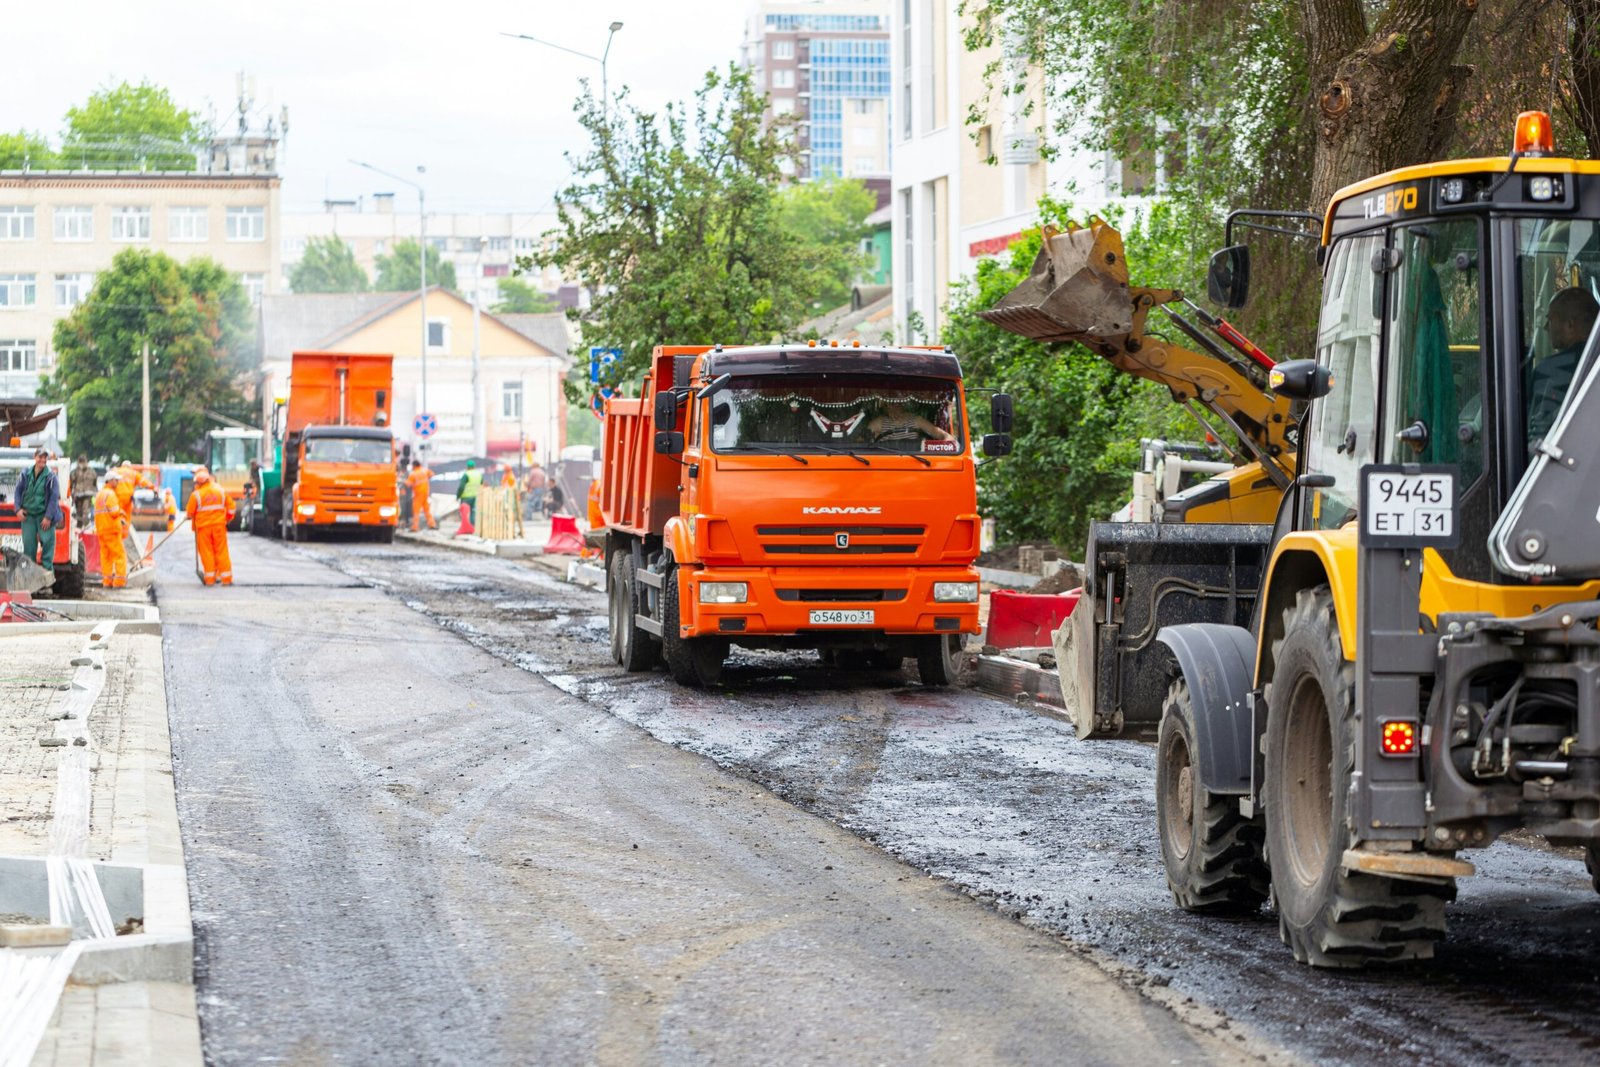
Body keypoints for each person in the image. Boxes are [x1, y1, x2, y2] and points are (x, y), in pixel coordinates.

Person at [1528, 287, 1600, 442]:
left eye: (1551, 319)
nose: (1547, 327)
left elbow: (1537, 438)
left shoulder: (1550, 370)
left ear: (1570, 326)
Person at [186, 466, 235, 587]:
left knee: (207, 553)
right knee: (221, 551)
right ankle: (226, 579)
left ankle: (210, 579)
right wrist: (227, 518)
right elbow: (232, 508)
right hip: (219, 526)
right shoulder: (220, 490)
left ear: (198, 482)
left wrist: (190, 516)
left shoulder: (196, 495)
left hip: (203, 529)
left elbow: (189, 513)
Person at [15, 449, 60, 577]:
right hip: (28, 516)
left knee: (48, 545)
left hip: (43, 516)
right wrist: (18, 509)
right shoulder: (25, 474)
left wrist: (48, 517)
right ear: (35, 457)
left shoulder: (51, 477)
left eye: (45, 457)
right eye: (40, 457)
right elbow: (18, 492)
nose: (43, 460)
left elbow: (54, 498)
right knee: (29, 546)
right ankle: (29, 578)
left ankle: (47, 576)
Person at [94, 470, 129, 589]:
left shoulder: (100, 494)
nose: (118, 482)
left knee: (106, 557)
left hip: (102, 530)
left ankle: (107, 581)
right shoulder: (110, 494)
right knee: (119, 556)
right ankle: (119, 582)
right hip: (111, 530)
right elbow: (114, 512)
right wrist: (122, 513)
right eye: (116, 480)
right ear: (110, 481)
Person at [867, 400, 953, 444]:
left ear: (903, 404)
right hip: (886, 461)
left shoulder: (916, 420)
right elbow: (862, 441)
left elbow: (939, 433)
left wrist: (948, 441)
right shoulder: (879, 422)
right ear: (886, 406)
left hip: (914, 460)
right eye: (891, 404)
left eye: (898, 403)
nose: (895, 407)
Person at [408, 459, 437, 531]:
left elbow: (408, 484)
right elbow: (432, 474)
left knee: (416, 511)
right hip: (425, 493)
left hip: (418, 494)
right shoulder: (425, 470)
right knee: (427, 510)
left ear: (414, 465)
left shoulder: (413, 474)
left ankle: (415, 527)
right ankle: (432, 524)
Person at [69, 455, 97, 528]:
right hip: (88, 494)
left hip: (78, 494)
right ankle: (85, 527)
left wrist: (71, 494)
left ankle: (80, 526)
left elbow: (71, 483)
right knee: (85, 512)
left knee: (80, 512)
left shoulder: (75, 471)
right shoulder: (92, 471)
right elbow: (95, 483)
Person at [456, 459, 484, 529]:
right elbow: (482, 484)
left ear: (467, 467)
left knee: (465, 513)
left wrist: (458, 496)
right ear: (474, 467)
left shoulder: (466, 475)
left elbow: (461, 487)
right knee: (473, 512)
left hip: (466, 497)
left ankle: (465, 527)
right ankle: (472, 527)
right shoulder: (479, 475)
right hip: (476, 496)